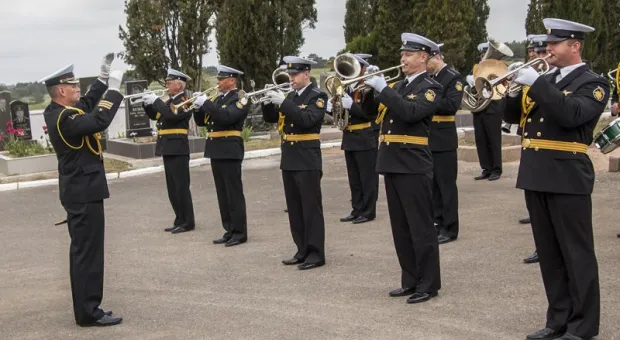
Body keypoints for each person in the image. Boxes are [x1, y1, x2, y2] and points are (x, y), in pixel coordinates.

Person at [504, 18, 608, 340]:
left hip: (567, 175)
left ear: (575, 46)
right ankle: (558, 319)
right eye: (548, 43)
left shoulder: (594, 83)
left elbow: (570, 114)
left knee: (576, 255)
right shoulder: (545, 79)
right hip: (536, 173)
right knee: (549, 255)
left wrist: (536, 83)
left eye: (555, 43)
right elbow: (512, 120)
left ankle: (582, 327)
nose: (547, 49)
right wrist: (510, 90)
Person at [41, 56, 124, 327]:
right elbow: (99, 119)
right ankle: (89, 311)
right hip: (83, 191)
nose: (78, 88)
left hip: (80, 189)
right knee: (88, 253)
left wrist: (101, 79)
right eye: (73, 86)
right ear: (61, 91)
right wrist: (114, 90)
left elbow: (87, 106)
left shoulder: (59, 112)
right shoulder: (66, 119)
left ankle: (87, 308)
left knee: (85, 252)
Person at [364, 33, 442, 304]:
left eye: (408, 54)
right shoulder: (397, 86)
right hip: (392, 161)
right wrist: (366, 90)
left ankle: (428, 283)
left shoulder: (430, 87)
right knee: (400, 227)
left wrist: (383, 89)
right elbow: (372, 112)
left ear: (423, 57)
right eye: (402, 54)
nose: (402, 58)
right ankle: (409, 279)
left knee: (420, 227)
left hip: (413, 163)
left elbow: (410, 113)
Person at [261, 56, 328, 270]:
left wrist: (284, 102)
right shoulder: (289, 96)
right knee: (295, 209)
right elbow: (273, 119)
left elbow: (307, 120)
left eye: (295, 75)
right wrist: (267, 104)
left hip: (307, 158)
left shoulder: (317, 96)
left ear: (306, 74)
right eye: (290, 75)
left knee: (311, 209)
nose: (291, 79)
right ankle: (301, 250)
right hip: (289, 158)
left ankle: (316, 253)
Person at [192, 65, 250, 247]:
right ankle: (229, 229)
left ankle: (239, 232)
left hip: (230, 149)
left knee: (233, 193)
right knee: (222, 194)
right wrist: (197, 107)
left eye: (221, 78)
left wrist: (206, 104)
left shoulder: (241, 98)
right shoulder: (217, 99)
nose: (217, 81)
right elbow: (203, 121)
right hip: (216, 149)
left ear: (232, 80)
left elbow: (226, 117)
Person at [327, 53, 380, 225]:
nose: (348, 72)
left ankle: (368, 211)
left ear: (363, 68)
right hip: (349, 137)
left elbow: (369, 114)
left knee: (367, 178)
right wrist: (331, 108)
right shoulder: (347, 87)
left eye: (354, 67)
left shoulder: (369, 88)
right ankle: (357, 209)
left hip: (365, 136)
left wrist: (353, 106)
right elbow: (340, 115)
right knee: (354, 179)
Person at [519, 34, 557, 264]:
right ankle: (541, 247)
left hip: (555, 154)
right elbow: (518, 114)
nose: (540, 57)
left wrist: (537, 83)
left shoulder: (558, 81)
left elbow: (565, 111)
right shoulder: (536, 79)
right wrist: (512, 93)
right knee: (538, 211)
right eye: (538, 52)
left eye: (544, 52)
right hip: (532, 149)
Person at [142, 69, 196, 234]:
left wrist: (156, 100)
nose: (167, 85)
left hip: (178, 147)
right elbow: (156, 116)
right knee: (172, 188)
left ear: (179, 85)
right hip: (167, 147)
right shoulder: (167, 102)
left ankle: (188, 221)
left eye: (169, 82)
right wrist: (147, 104)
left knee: (181, 187)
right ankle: (179, 219)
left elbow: (172, 116)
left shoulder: (186, 100)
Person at [426, 43, 464, 244]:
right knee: (433, 186)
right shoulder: (431, 78)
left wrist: (427, 101)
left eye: (428, 60)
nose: (426, 65)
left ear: (438, 57)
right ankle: (437, 223)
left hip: (444, 139)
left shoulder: (453, 77)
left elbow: (451, 105)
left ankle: (450, 228)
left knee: (446, 186)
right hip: (429, 137)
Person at [470, 41, 511, 181]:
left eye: (486, 54)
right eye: (482, 55)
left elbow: (504, 88)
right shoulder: (477, 69)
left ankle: (496, 169)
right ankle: (486, 168)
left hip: (493, 107)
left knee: (494, 139)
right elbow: (473, 89)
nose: (483, 58)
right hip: (479, 108)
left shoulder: (500, 68)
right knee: (480, 139)